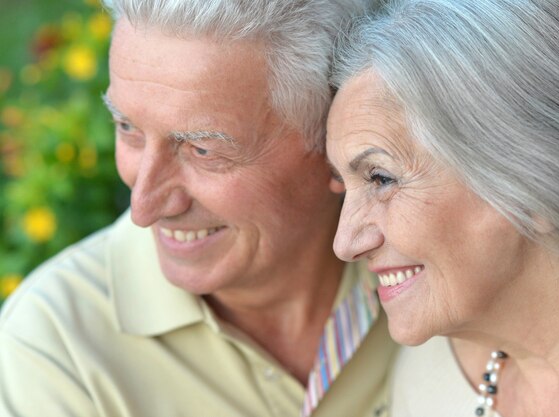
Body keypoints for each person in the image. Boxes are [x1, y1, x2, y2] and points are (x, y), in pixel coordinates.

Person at [0, 1, 398, 416]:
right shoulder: (55, 346)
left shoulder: (438, 279)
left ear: (339, 137)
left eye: (203, 149)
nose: (144, 207)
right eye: (128, 128)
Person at [325, 0, 559, 416]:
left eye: (381, 178)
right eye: (345, 187)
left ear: (536, 179)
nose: (345, 243)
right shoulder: (425, 379)